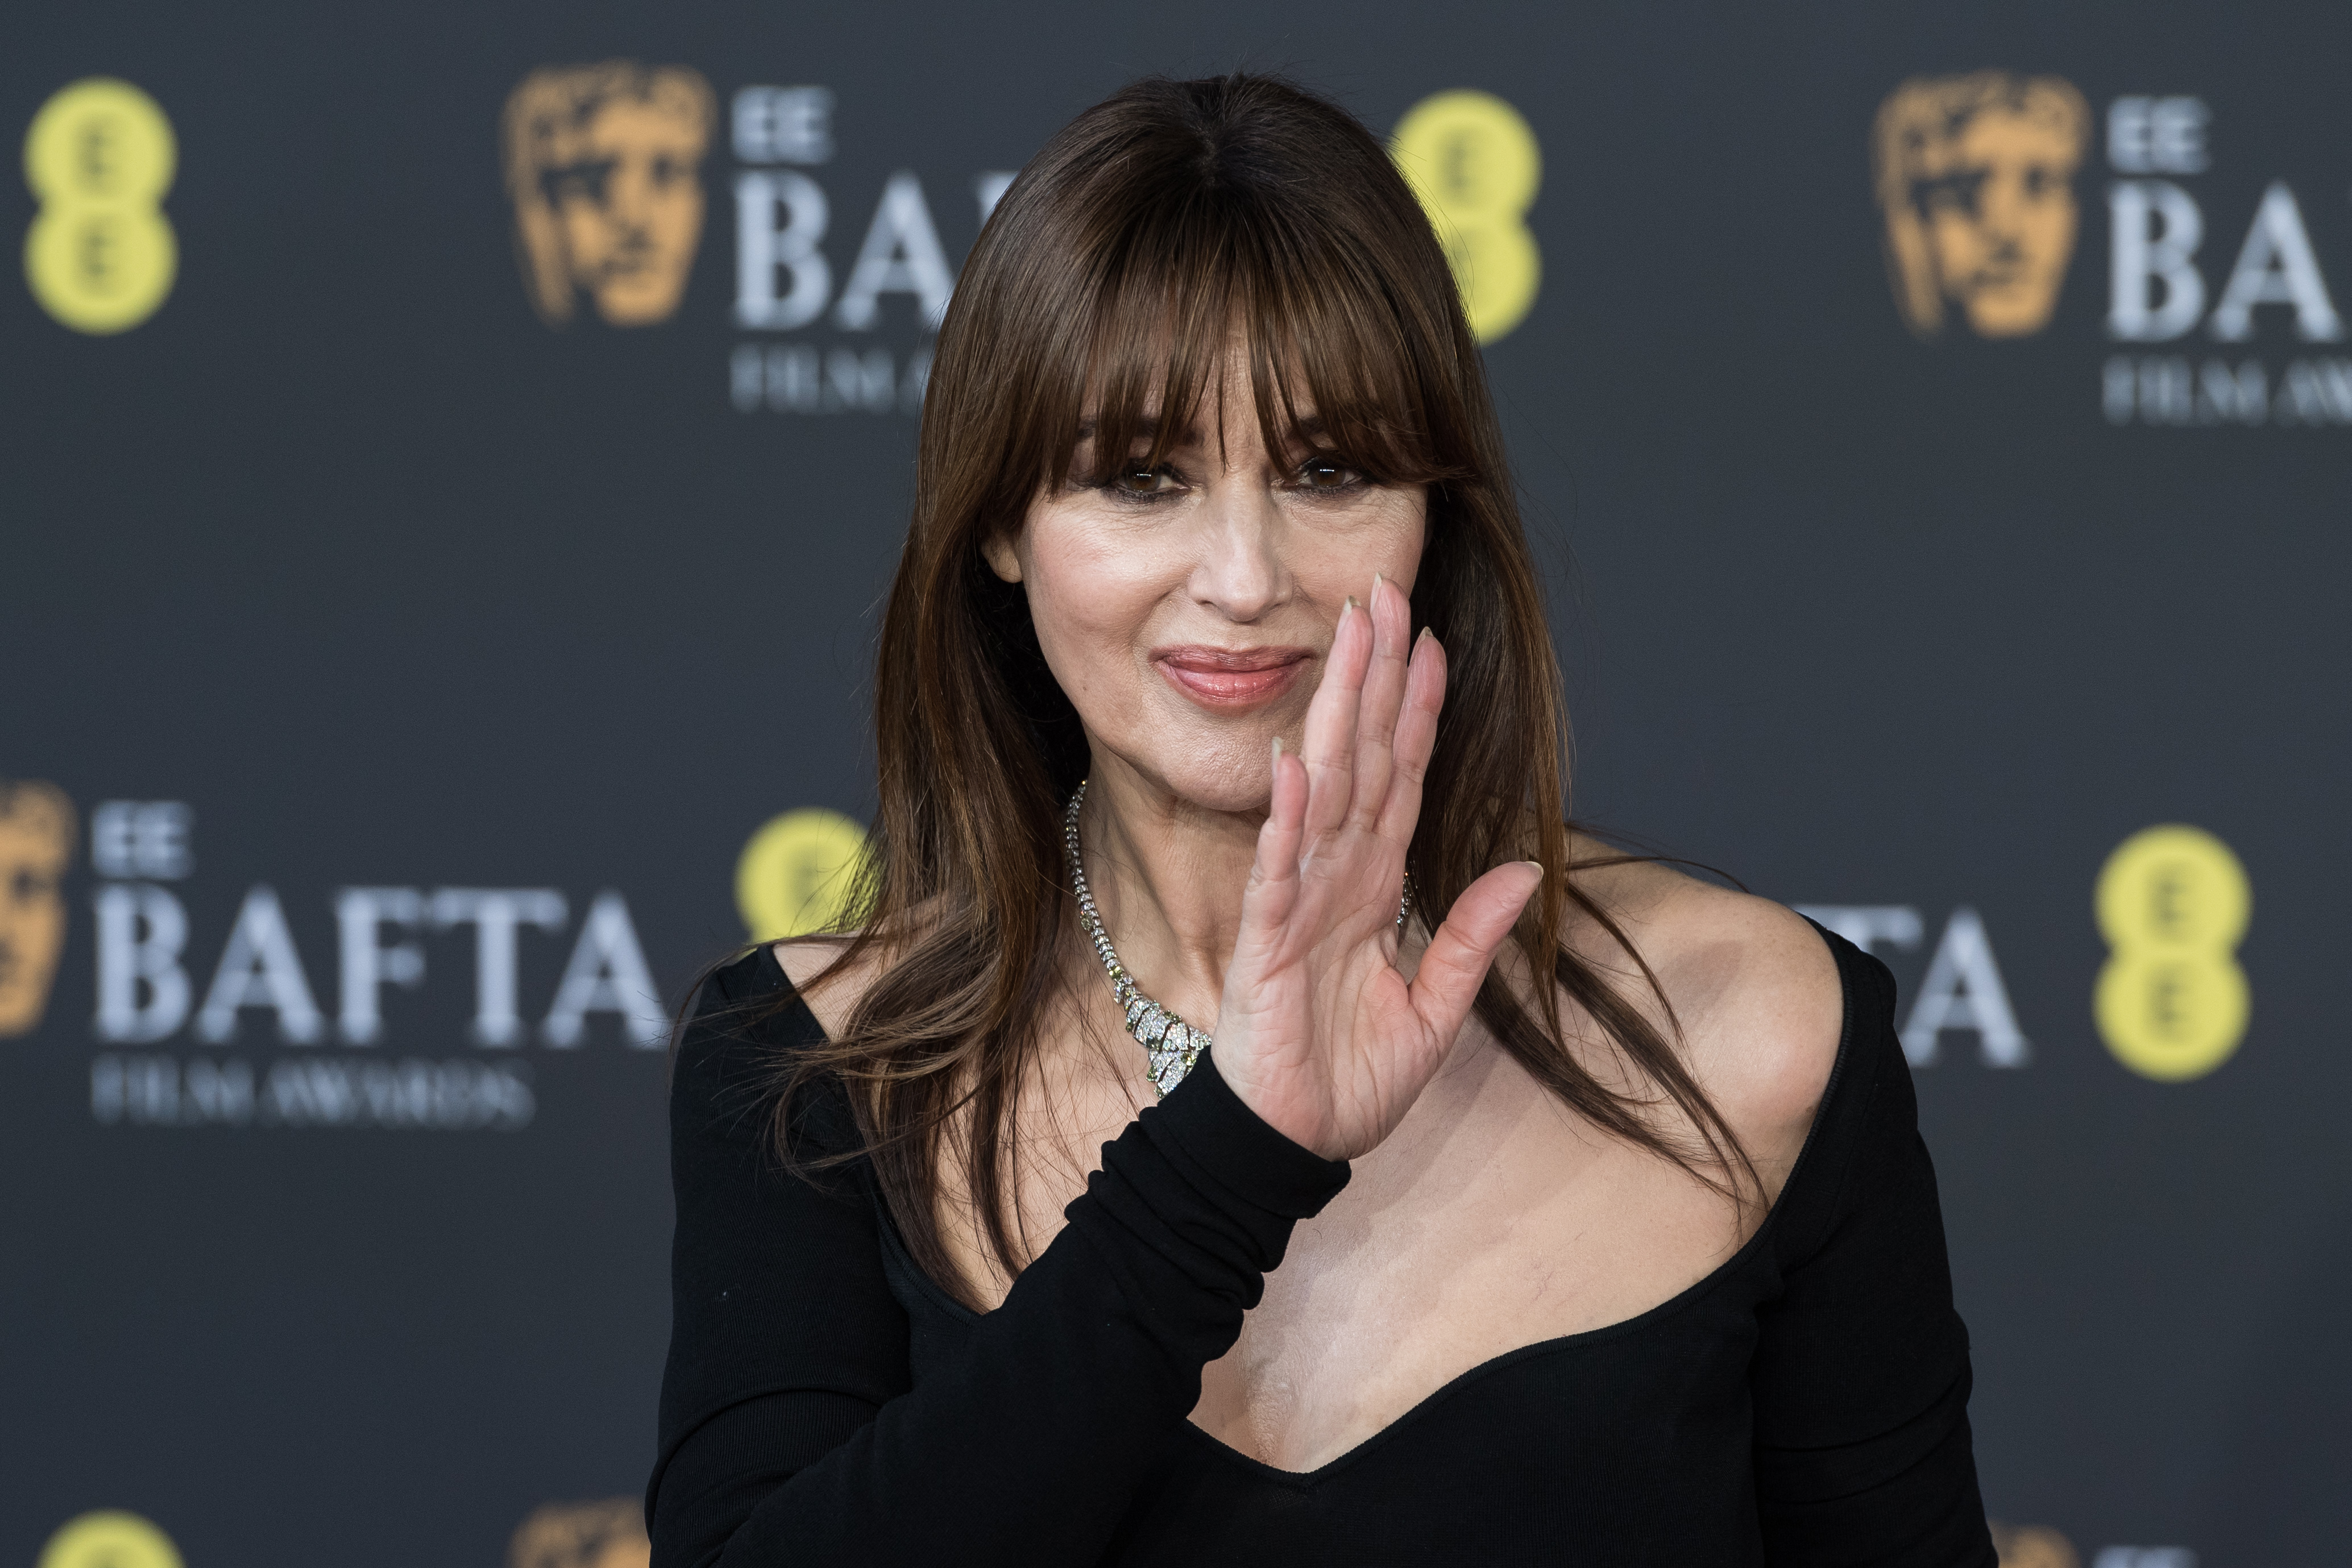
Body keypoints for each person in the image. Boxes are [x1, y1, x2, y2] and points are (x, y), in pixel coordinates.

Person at [650, 73, 1993, 1565]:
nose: (1241, 573)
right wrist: (1235, 1148)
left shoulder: (1755, 1034)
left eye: (1328, 470)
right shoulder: (813, 1069)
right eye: (1140, 477)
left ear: (1434, 519)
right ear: (997, 527)